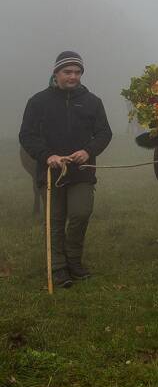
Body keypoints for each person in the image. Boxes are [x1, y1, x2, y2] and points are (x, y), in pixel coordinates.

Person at [19, 51, 112, 288]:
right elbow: (26, 135)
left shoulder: (93, 102)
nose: (73, 76)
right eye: (67, 72)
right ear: (56, 73)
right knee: (55, 220)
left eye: (77, 72)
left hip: (81, 171)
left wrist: (88, 151)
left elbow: (104, 133)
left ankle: (74, 261)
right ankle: (59, 268)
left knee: (81, 214)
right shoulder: (38, 101)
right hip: (50, 172)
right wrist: (47, 155)